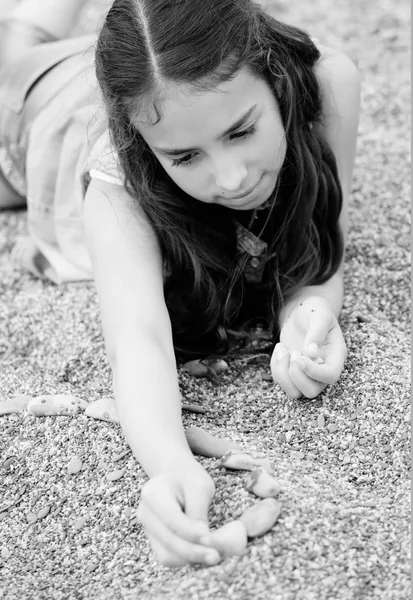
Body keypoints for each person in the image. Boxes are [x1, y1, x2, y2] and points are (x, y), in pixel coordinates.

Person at [0, 0, 361, 567]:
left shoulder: (326, 83)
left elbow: (319, 251)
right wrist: (170, 464)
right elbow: (137, 338)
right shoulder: (119, 179)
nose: (231, 177)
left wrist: (310, 316)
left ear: (275, 79)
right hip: (44, 121)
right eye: (185, 157)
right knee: (12, 69)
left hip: (159, 78)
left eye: (242, 130)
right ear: (145, 146)